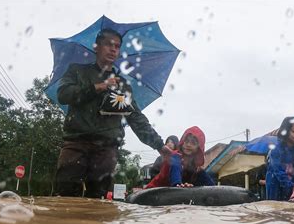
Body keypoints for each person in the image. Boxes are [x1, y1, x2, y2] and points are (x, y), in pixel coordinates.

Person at [54, 28, 170, 198]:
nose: (113, 49)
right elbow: (63, 94)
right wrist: (99, 87)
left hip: (106, 149)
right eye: (108, 44)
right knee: (65, 194)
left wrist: (159, 145)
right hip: (76, 143)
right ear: (96, 47)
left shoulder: (122, 85)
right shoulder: (77, 71)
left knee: (97, 199)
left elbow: (136, 118)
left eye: (117, 46)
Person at [146, 126, 215, 188]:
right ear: (182, 142)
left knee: (200, 173)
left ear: (199, 148)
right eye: (186, 141)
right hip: (153, 191)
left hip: (169, 194)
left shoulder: (196, 169)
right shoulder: (175, 156)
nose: (188, 144)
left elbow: (212, 186)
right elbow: (175, 169)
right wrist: (177, 184)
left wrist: (216, 190)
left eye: (193, 143)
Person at [265, 116, 294, 200]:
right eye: (293, 131)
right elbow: (278, 171)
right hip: (275, 189)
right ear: (286, 131)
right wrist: (291, 186)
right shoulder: (276, 150)